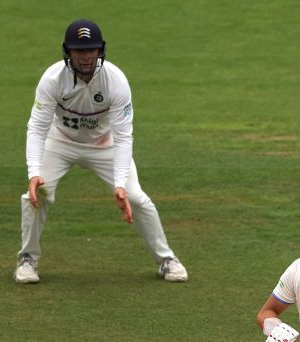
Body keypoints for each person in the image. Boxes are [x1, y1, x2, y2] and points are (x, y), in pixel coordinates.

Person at [15, 19, 188, 284]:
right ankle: (27, 259)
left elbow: (123, 136)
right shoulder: (52, 79)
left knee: (135, 197)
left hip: (104, 143)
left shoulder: (116, 81)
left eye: (91, 50)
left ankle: (167, 259)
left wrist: (119, 184)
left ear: (100, 50)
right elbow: (37, 128)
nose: (85, 57)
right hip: (60, 141)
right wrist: (34, 172)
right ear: (67, 51)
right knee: (37, 193)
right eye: (78, 51)